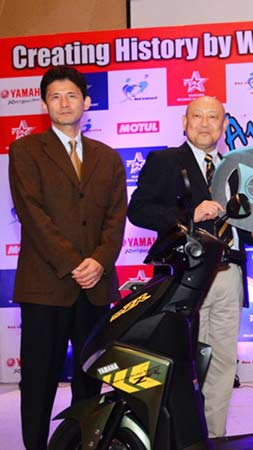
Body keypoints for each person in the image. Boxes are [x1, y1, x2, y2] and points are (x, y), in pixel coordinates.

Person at [127, 96, 253, 438]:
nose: (205, 123)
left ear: (224, 126)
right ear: (184, 122)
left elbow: (241, 220)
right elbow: (138, 210)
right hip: (186, 278)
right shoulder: (165, 161)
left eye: (213, 117)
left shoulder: (235, 168)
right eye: (197, 116)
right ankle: (184, 439)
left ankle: (215, 438)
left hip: (229, 273)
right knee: (185, 364)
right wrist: (187, 216)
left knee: (222, 364)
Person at [8, 65, 127, 450]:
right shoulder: (25, 151)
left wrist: (99, 261)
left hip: (95, 287)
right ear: (44, 105)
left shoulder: (108, 157)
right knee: (39, 379)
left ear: (86, 102)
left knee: (90, 378)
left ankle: (82, 444)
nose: (64, 103)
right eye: (55, 97)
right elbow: (32, 214)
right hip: (46, 285)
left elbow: (116, 218)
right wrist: (75, 264)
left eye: (71, 95)